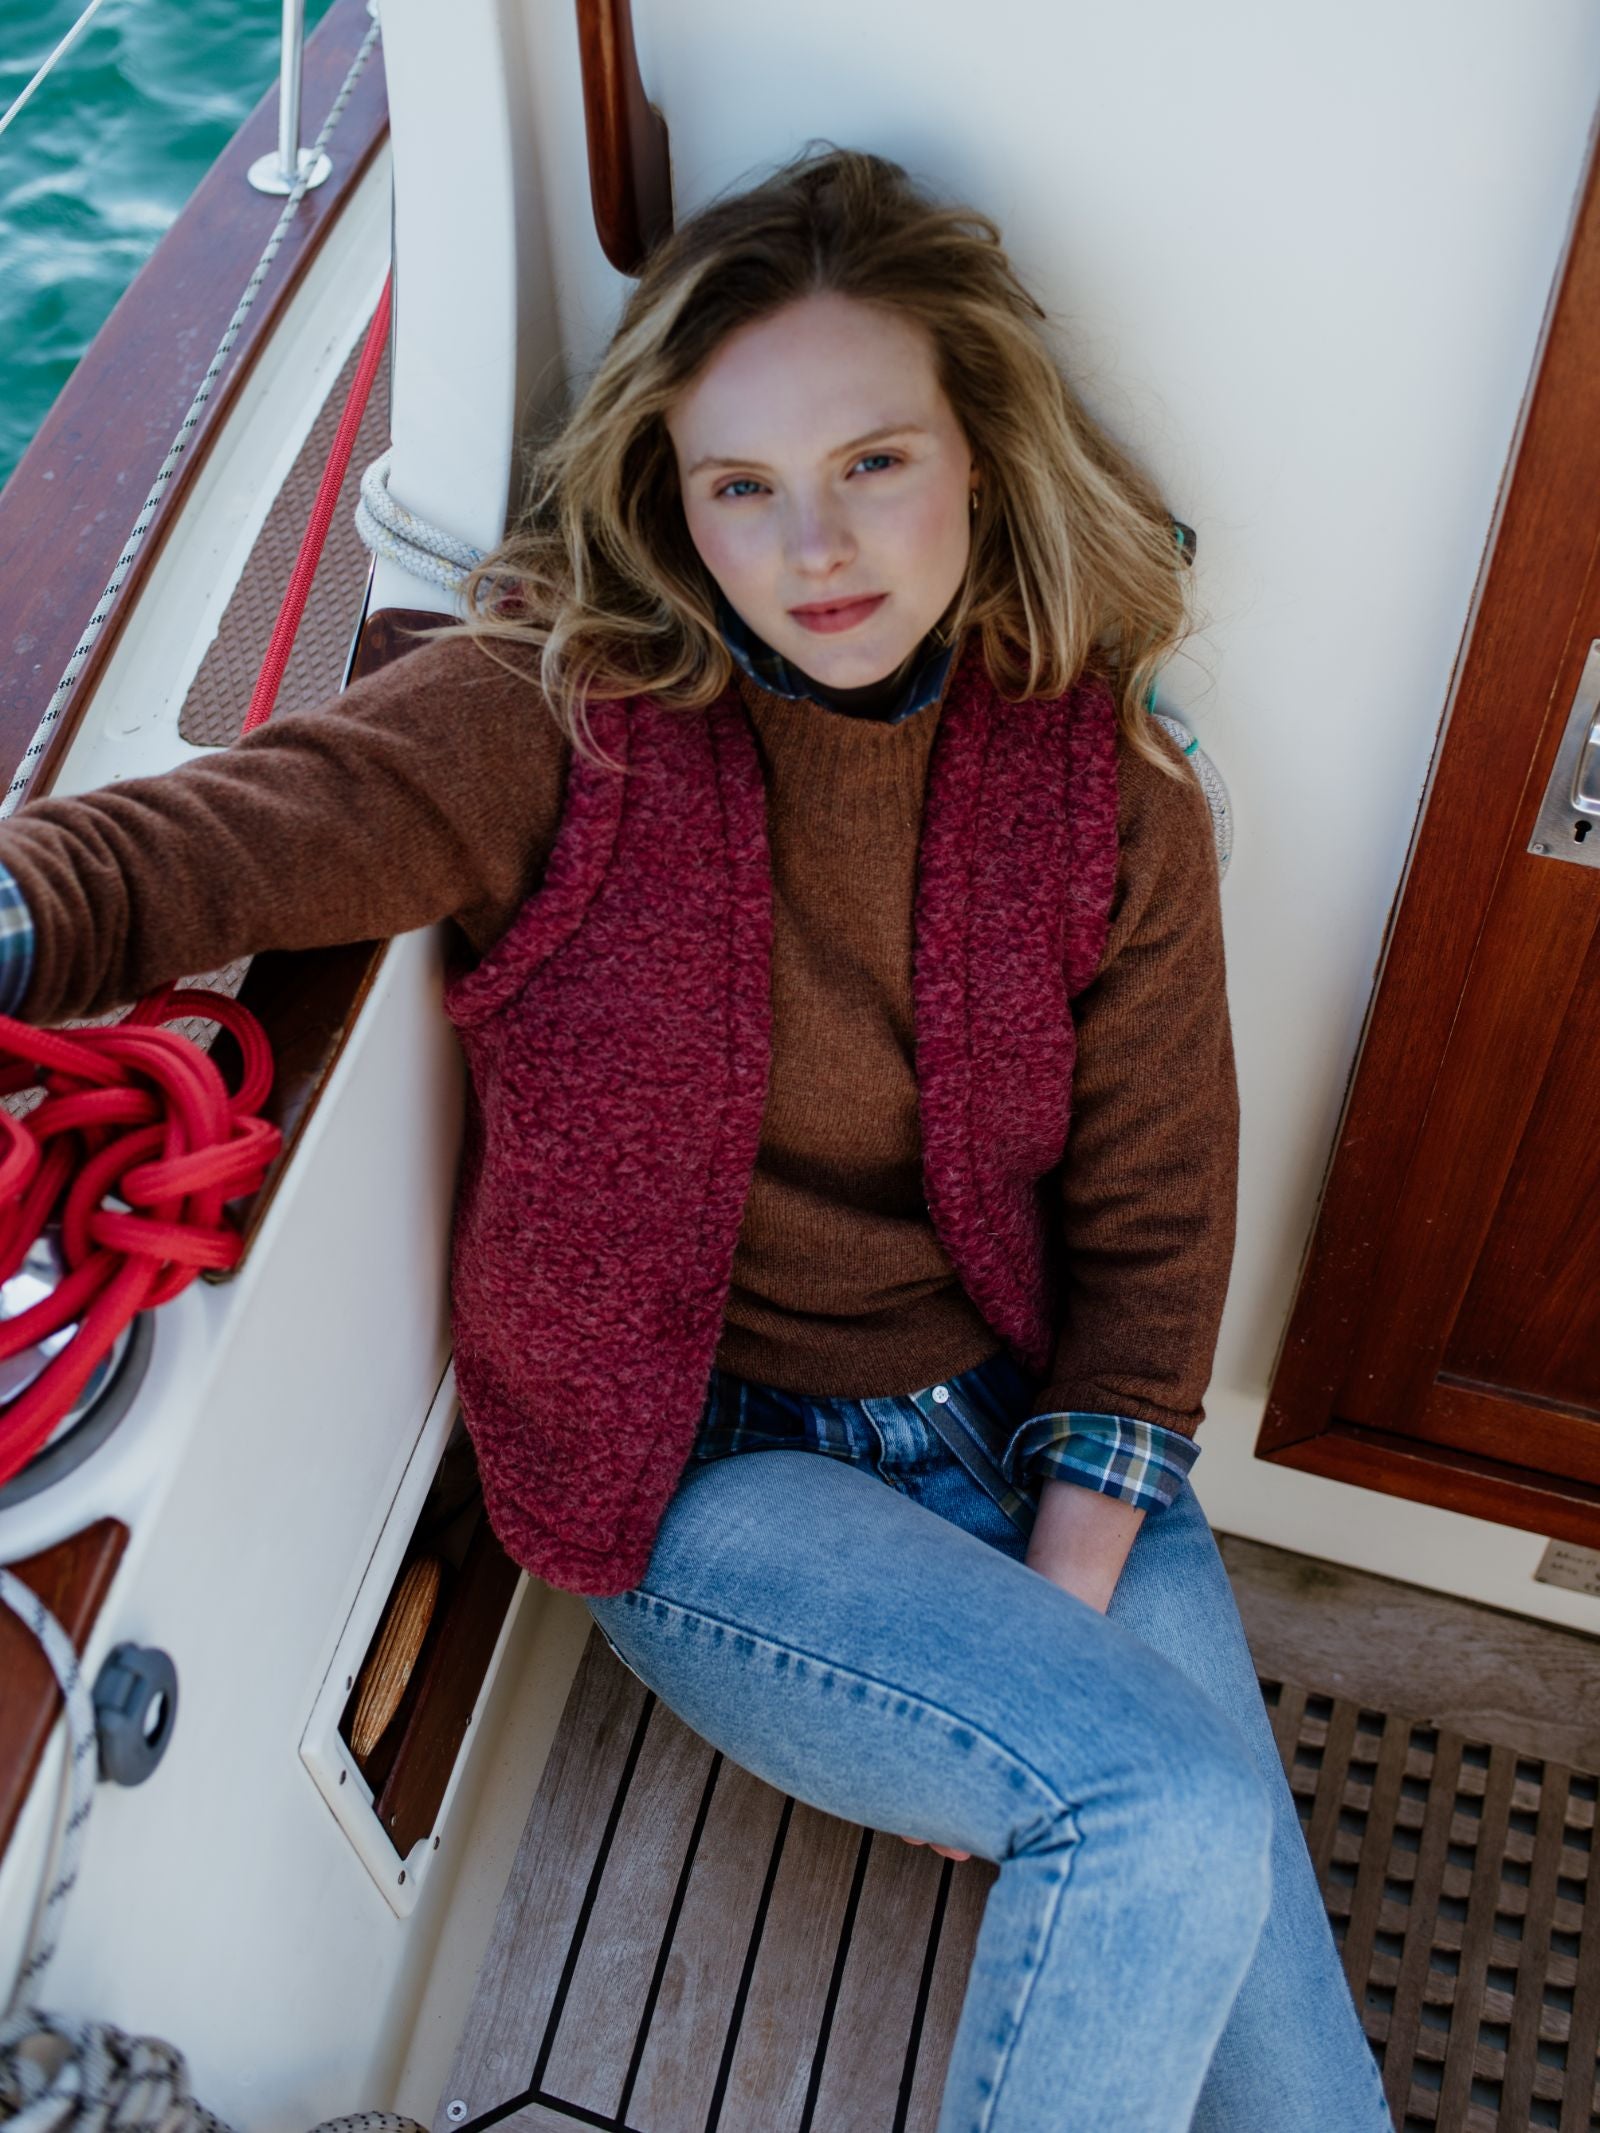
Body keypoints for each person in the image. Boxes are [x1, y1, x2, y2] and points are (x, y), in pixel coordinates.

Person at [0, 148, 1393, 2131]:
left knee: (1294, 2065)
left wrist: (1034, 1635)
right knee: (1152, 1803)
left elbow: (1155, 1220)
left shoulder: (1105, 787)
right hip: (708, 1461)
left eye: (871, 462)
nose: (811, 543)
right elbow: (200, 844)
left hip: (1032, 1432)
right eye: (740, 484)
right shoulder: (556, 722)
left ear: (977, 459)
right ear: (672, 497)